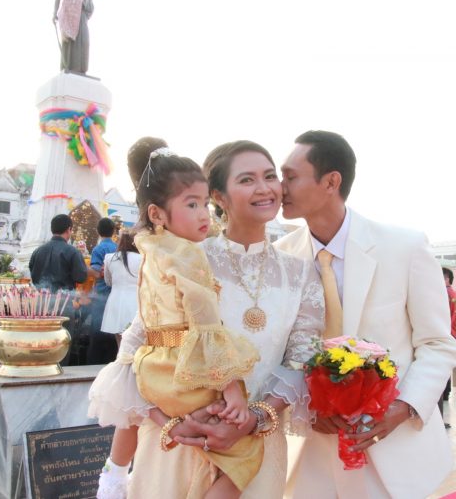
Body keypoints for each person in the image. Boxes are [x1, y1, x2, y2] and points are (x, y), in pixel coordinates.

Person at [89, 140, 324, 498]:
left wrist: (254, 418)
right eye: (246, 180)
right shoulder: (184, 257)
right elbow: (140, 344)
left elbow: (301, 357)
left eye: (270, 176)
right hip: (179, 441)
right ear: (219, 196)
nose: (264, 188)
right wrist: (169, 423)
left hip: (255, 446)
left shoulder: (301, 273)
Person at [276, 130, 456, 499]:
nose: (279, 187)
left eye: (290, 176)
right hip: (310, 453)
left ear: (331, 181)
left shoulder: (404, 246)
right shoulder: (279, 258)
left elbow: (437, 343)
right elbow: (278, 351)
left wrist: (402, 408)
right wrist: (308, 407)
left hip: (393, 452)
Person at [100, 230, 140, 347]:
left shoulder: (110, 258)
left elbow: (108, 281)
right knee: (135, 342)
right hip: (135, 302)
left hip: (116, 300)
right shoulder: (142, 258)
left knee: (119, 342)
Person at [86, 218, 118, 365]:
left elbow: (98, 272)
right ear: (113, 232)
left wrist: (84, 268)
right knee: (113, 331)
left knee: (98, 330)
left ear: (98, 231)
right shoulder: (118, 248)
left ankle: (95, 362)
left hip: (101, 294)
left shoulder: (98, 249)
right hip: (115, 294)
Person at [29, 214, 88, 291]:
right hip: (64, 299)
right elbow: (81, 278)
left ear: (52, 230)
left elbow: (32, 274)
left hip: (41, 298)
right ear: (69, 229)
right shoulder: (73, 252)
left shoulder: (37, 251)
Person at [53, 0, 93, 74]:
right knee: (70, 43)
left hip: (82, 20)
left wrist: (85, 2)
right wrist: (54, 13)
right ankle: (68, 69)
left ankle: (81, 70)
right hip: (69, 19)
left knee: (84, 42)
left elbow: (91, 7)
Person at [440, 267, 456, 427]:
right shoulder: (452, 293)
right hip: (450, 334)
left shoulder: (446, 293)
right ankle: (447, 394)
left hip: (444, 334)